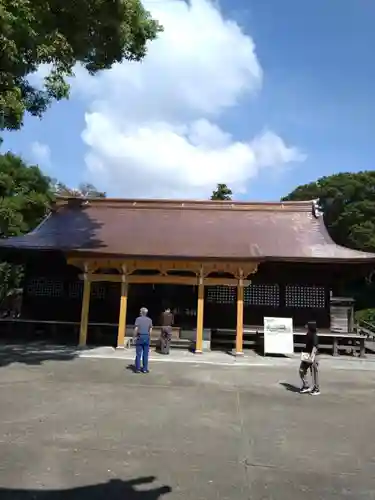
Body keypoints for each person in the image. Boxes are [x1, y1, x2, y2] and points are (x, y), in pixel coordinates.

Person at [299, 321, 320, 395]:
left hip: (313, 355)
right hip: (306, 355)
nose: (306, 326)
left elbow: (315, 346)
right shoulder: (308, 334)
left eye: (307, 325)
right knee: (302, 369)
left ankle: (316, 388)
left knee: (314, 372)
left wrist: (312, 357)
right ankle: (306, 385)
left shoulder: (314, 335)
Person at [133, 307, 153, 373]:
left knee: (138, 354)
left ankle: (138, 368)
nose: (140, 312)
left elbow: (136, 328)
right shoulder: (149, 320)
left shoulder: (138, 319)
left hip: (140, 336)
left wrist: (134, 336)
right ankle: (144, 369)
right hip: (146, 336)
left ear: (141, 312)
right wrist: (149, 337)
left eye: (140, 311)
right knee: (145, 354)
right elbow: (150, 330)